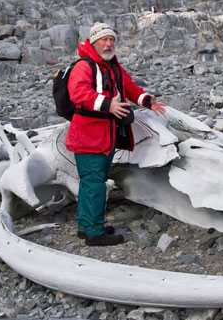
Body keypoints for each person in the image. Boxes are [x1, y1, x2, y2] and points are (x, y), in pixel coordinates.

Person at [67, 22, 166, 246]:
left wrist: (147, 101)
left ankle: (87, 225)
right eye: (104, 39)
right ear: (94, 41)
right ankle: (94, 233)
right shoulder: (84, 66)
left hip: (103, 136)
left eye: (111, 39)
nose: (109, 43)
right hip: (89, 135)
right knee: (94, 182)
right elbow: (78, 93)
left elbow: (128, 86)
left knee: (92, 181)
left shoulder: (110, 66)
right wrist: (108, 106)